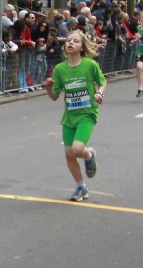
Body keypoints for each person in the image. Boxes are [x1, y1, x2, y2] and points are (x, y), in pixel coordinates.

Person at [44, 31, 105, 202]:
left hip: (87, 113)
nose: (71, 43)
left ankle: (88, 155)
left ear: (82, 46)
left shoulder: (90, 65)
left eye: (76, 41)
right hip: (70, 116)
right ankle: (81, 187)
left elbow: (102, 82)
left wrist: (99, 93)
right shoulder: (60, 69)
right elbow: (55, 96)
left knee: (77, 150)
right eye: (68, 40)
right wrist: (48, 88)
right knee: (69, 154)